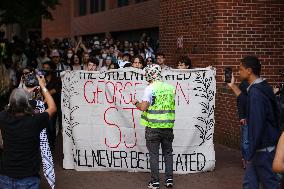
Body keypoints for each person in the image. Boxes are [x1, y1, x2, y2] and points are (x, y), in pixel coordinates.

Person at [228, 56, 280, 189]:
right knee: (249, 183)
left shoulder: (256, 93)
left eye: (241, 69)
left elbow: (258, 124)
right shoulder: (260, 88)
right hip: (261, 147)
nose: (239, 72)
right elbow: (248, 103)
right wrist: (233, 86)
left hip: (262, 149)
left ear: (249, 70)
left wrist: (250, 152)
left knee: (270, 184)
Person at [0, 76, 56, 189]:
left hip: (5, 175)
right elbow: (52, 108)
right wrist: (43, 86)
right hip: (28, 177)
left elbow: (14, 103)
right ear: (27, 103)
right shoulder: (35, 120)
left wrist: (21, 87)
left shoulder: (2, 116)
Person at [132, 64, 176, 189]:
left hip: (153, 127)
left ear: (150, 75)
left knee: (154, 155)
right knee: (168, 153)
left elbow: (143, 107)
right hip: (168, 126)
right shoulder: (171, 88)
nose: (145, 76)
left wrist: (136, 103)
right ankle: (169, 180)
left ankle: (155, 182)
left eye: (146, 74)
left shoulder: (150, 88)